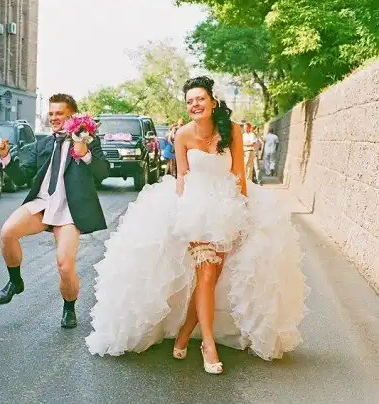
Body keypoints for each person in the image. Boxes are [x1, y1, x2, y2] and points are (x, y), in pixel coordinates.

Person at [85, 76, 308, 374]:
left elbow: (239, 174)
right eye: (189, 101)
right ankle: (208, 345)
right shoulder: (182, 135)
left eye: (200, 99)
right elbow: (182, 177)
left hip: (227, 206)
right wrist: (182, 212)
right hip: (195, 207)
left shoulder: (232, 131)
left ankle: (184, 332)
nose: (195, 105)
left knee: (211, 277)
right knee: (206, 273)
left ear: (213, 101)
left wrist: (242, 212)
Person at [0, 93, 110, 328]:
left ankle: (69, 307)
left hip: (69, 210)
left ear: (72, 116)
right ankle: (15, 281)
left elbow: (103, 173)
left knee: (64, 265)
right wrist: (5, 158)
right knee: (7, 232)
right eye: (51, 114)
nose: (54, 118)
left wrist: (84, 152)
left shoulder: (88, 141)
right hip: (42, 203)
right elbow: (22, 177)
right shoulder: (43, 144)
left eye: (60, 114)